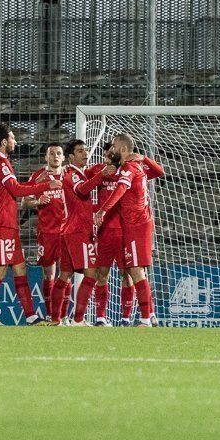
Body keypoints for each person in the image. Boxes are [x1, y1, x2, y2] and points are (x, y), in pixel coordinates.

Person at [0, 123, 62, 325]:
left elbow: (16, 188)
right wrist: (47, 184)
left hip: (7, 225)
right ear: (4, 142)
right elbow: (17, 191)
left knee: (20, 269)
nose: (15, 141)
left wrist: (39, 182)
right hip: (0, 224)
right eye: (12, 138)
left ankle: (30, 316)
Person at [94, 134, 165, 327]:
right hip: (136, 224)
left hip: (136, 224)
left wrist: (102, 210)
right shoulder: (136, 167)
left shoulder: (129, 167)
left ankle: (144, 319)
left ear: (123, 150)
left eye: (115, 147)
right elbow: (159, 171)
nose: (112, 150)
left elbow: (120, 190)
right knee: (137, 270)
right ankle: (149, 315)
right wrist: (144, 159)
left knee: (134, 271)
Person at [50, 139, 113, 326]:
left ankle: (55, 319)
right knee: (91, 274)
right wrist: (101, 175)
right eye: (80, 151)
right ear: (70, 157)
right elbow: (83, 190)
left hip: (69, 230)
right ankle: (78, 319)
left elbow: (80, 203)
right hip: (78, 231)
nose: (85, 153)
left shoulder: (78, 173)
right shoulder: (72, 175)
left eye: (85, 150)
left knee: (64, 275)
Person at [21, 143, 66, 320]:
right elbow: (25, 202)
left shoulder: (68, 175)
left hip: (66, 231)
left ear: (63, 157)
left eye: (59, 153)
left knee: (66, 274)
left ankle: (62, 316)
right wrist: (37, 201)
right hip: (47, 232)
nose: (55, 156)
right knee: (49, 274)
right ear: (46, 157)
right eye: (52, 154)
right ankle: (49, 314)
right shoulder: (38, 176)